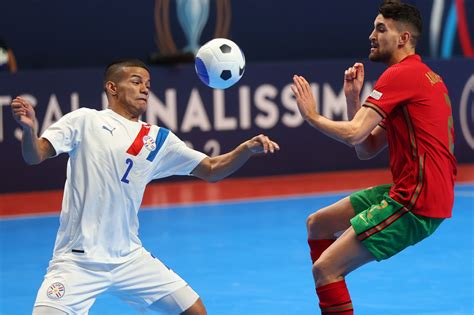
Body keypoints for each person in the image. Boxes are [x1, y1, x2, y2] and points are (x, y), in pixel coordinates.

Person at [11, 59, 279, 315]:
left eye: (148, 84)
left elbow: (210, 169)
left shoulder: (157, 138)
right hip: (78, 260)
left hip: (129, 257)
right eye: (136, 81)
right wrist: (28, 130)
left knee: (194, 310)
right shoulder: (84, 120)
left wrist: (244, 150)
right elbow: (34, 155)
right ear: (112, 87)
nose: (144, 88)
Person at [291, 1, 456, 314]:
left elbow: (354, 134)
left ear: (403, 39)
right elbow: (366, 148)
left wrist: (311, 115)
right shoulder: (420, 75)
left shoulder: (401, 75)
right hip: (409, 191)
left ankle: (332, 279)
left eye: (381, 29)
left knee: (325, 269)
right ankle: (333, 289)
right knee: (318, 225)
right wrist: (353, 100)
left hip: (416, 202)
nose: (372, 35)